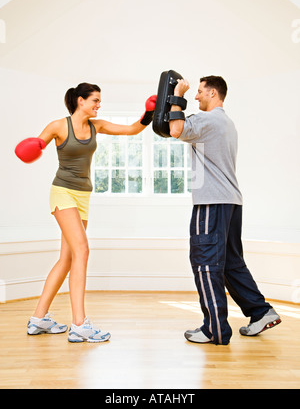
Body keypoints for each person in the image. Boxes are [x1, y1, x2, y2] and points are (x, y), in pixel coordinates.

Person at [15, 83, 156, 343]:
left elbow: (131, 130)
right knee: (83, 250)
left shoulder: (96, 126)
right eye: (95, 100)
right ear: (80, 101)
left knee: (67, 259)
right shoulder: (59, 126)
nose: (98, 105)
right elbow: (38, 144)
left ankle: (38, 318)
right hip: (62, 192)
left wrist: (148, 113)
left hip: (83, 196)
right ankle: (79, 324)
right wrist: (35, 145)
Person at [168, 76, 281, 345]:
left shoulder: (209, 120)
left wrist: (176, 95)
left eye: (199, 92)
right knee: (230, 263)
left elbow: (175, 129)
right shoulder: (225, 122)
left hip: (211, 202)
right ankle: (261, 312)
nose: (195, 97)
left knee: (205, 263)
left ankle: (215, 329)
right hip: (230, 202)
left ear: (213, 93)